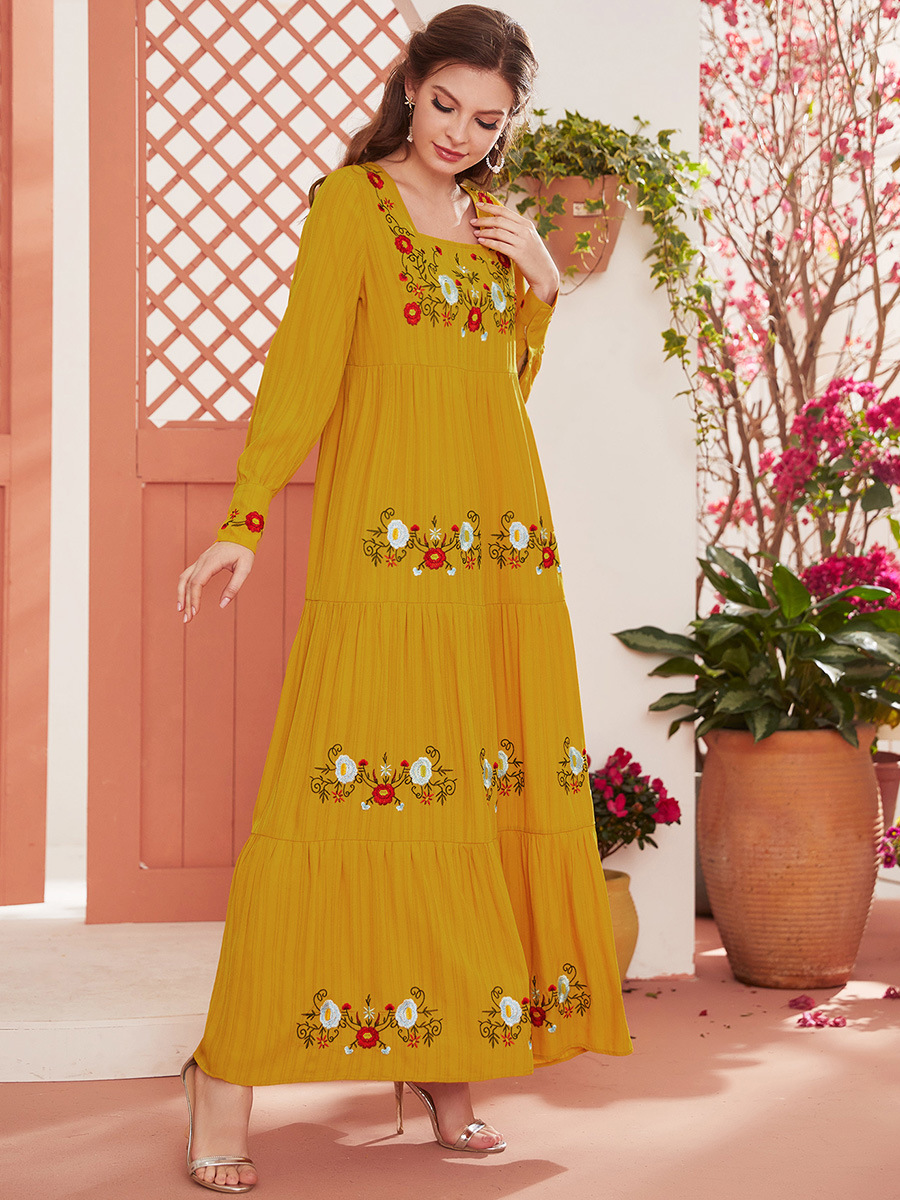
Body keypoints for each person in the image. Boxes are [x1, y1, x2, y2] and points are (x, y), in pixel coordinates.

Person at [175, 4, 632, 1192]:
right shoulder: (352, 207)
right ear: (411, 87)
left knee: (465, 810)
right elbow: (303, 368)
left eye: (488, 120)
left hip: (496, 557)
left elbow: (498, 386)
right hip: (386, 558)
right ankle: (223, 1074)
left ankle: (439, 1061)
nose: (460, 134)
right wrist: (243, 520)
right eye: (445, 105)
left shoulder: (494, 220)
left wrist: (539, 282)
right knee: (336, 809)